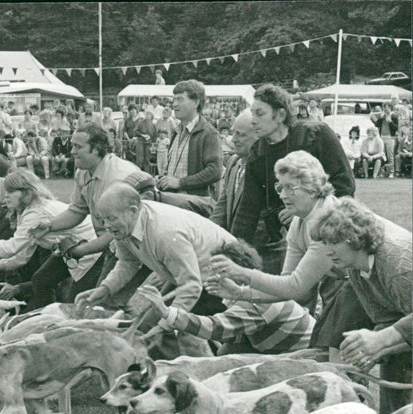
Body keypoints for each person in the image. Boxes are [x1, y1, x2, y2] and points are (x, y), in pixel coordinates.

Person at [208, 150, 371, 352]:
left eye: (290, 188)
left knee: (342, 351)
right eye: (280, 187)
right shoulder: (298, 222)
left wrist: (241, 274)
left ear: (313, 188)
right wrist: (240, 292)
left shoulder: (326, 221)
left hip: (375, 283)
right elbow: (286, 285)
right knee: (331, 349)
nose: (283, 195)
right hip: (357, 286)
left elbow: (295, 286)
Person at [230, 84, 355, 275]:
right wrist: (236, 252)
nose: (253, 121)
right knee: (292, 292)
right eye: (252, 114)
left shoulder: (317, 135)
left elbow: (345, 184)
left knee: (335, 296)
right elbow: (248, 209)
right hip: (288, 238)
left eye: (260, 114)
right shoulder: (257, 153)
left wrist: (304, 208)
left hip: (331, 230)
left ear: (280, 115)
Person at [75, 183, 232, 332]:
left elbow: (191, 285)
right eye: (103, 219)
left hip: (222, 280)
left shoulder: (165, 233)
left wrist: (167, 323)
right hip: (190, 277)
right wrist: (105, 289)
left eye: (111, 218)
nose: (106, 226)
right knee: (148, 326)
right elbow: (128, 262)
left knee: (170, 331)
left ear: (133, 210)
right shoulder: (124, 226)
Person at [0, 169, 103, 309]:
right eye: (5, 191)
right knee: (41, 279)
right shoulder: (27, 211)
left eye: (11, 191)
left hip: (90, 250)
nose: (5, 196)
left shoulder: (35, 213)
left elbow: (11, 248)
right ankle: (44, 317)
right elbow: (22, 257)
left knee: (77, 302)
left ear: (27, 193)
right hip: (70, 248)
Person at [313, 197, 411, 413]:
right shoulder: (355, 268)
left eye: (334, 242)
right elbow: (386, 318)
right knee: (390, 406)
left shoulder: (398, 268)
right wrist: (373, 350)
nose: (327, 251)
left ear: (355, 239)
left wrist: (380, 340)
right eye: (325, 243)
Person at [137, 240, 315, 355]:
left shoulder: (253, 303)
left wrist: (168, 313)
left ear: (239, 272)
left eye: (219, 270)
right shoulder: (250, 292)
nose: (211, 276)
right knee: (226, 351)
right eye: (211, 269)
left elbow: (216, 328)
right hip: (279, 348)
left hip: (305, 354)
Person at [29, 124, 141, 294]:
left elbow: (118, 230)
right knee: (48, 282)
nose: (72, 151)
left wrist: (83, 250)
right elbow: (77, 210)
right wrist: (49, 225)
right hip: (108, 244)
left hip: (131, 249)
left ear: (96, 149)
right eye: (72, 145)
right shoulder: (83, 171)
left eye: (78, 146)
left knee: (98, 300)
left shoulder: (118, 176)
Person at [158, 80, 222, 198]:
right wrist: (163, 179)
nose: (175, 104)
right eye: (174, 99)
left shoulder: (208, 133)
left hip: (193, 208)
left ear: (196, 102)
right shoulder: (176, 132)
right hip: (174, 203)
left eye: (180, 99)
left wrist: (180, 183)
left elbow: (215, 171)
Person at [210, 110, 260, 234]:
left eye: (241, 135)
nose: (233, 140)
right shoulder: (233, 163)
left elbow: (261, 226)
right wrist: (208, 234)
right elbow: (222, 207)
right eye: (233, 133)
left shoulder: (265, 169)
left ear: (259, 136)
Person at [371, 103, 398, 177]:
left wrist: (390, 122)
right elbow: (376, 125)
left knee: (390, 155)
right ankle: (382, 171)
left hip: (390, 138)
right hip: (382, 137)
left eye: (387, 108)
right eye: (384, 108)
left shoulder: (394, 116)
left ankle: (391, 172)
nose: (385, 110)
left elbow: (396, 128)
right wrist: (380, 118)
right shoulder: (382, 116)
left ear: (390, 108)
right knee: (382, 154)